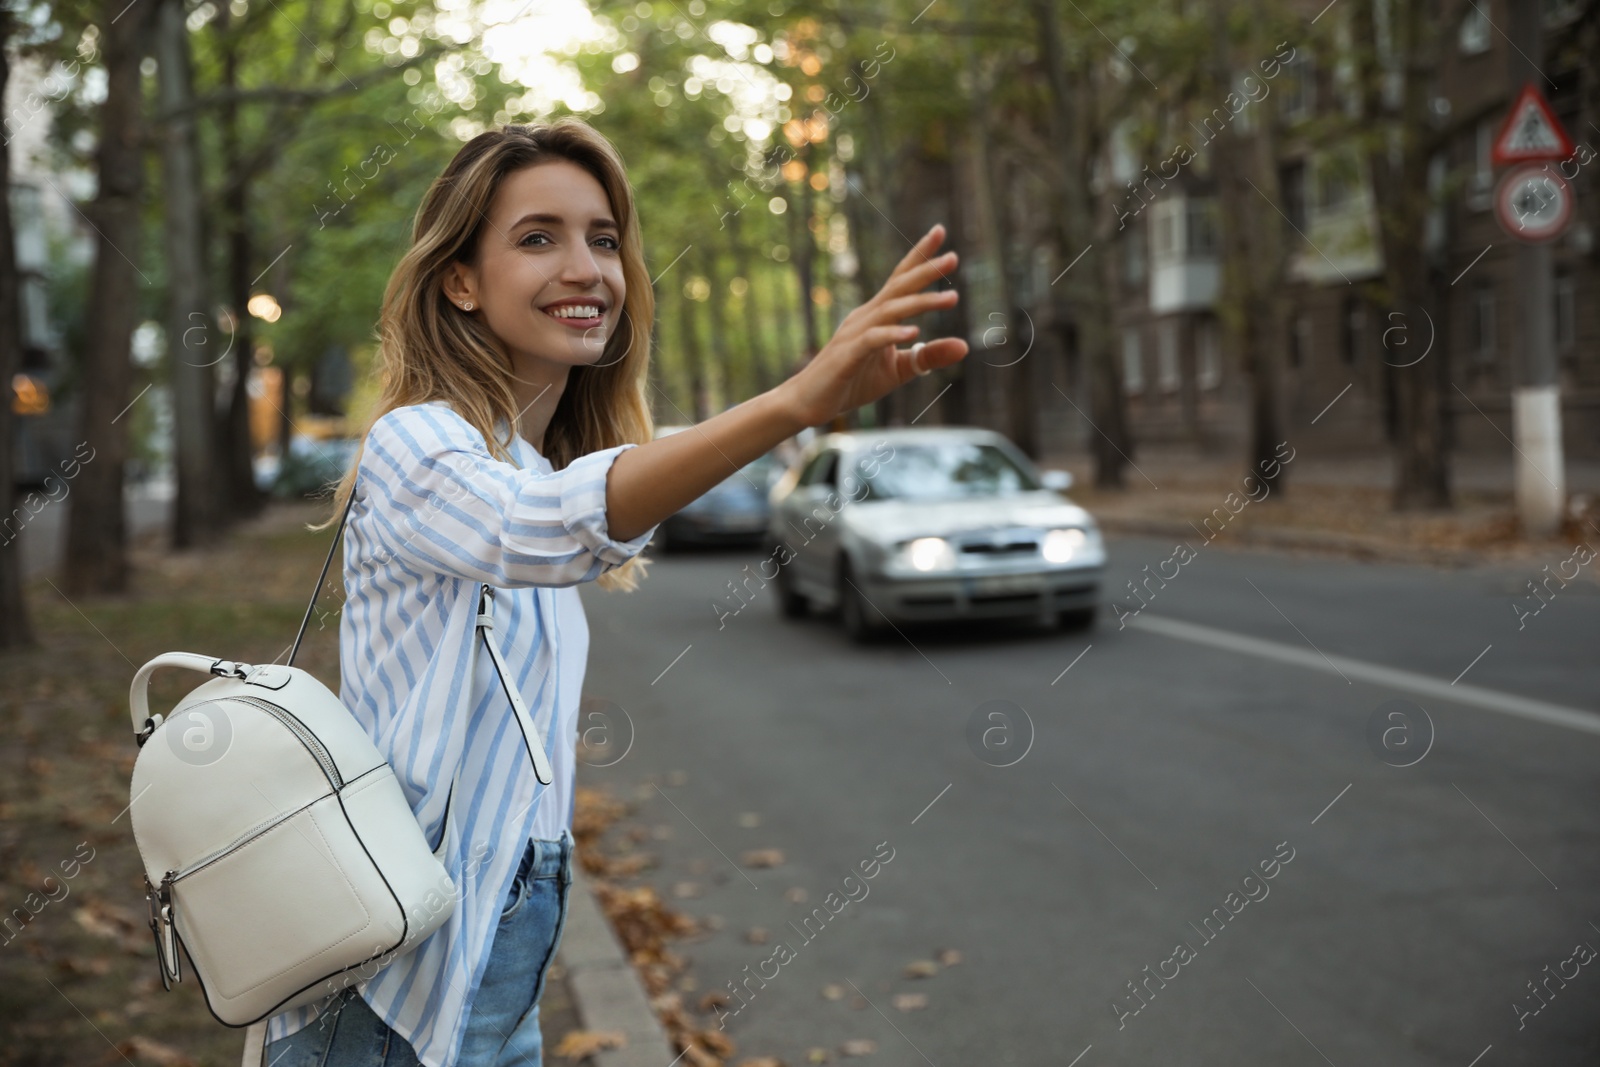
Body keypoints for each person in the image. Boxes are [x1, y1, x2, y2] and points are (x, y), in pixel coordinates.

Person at [259, 118, 966, 1067]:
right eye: (537, 237)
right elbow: (540, 529)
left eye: (603, 238)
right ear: (460, 279)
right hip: (400, 957)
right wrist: (795, 403)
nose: (587, 267)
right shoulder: (417, 443)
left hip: (509, 926)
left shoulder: (526, 460)